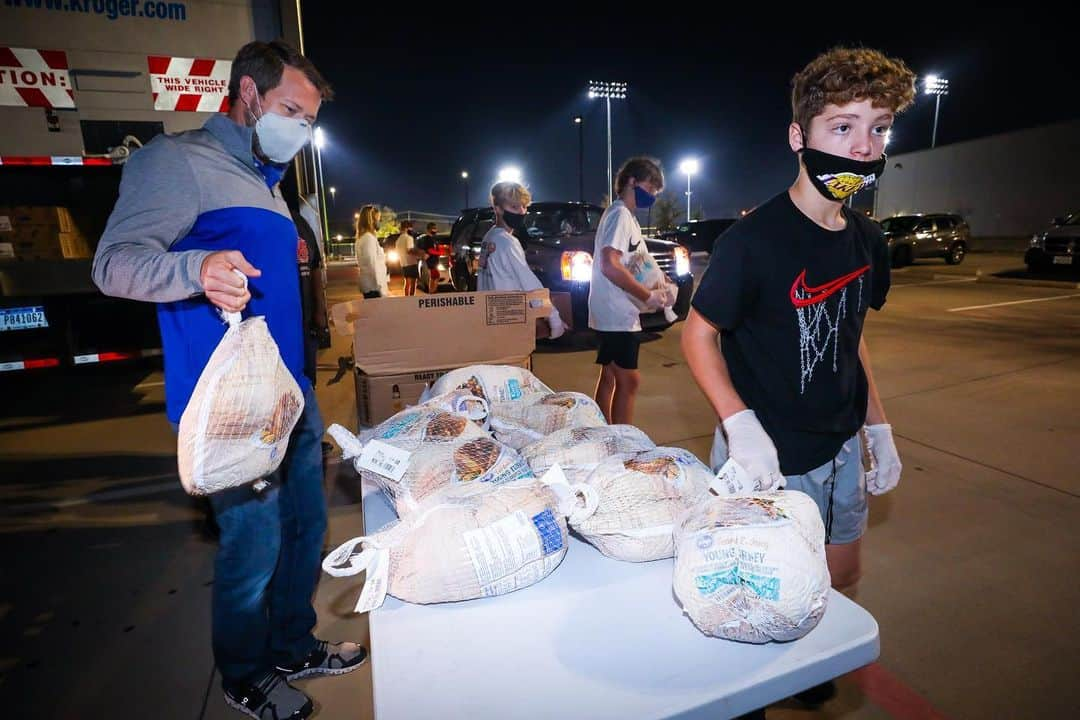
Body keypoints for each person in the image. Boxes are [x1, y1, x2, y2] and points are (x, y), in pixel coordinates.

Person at [92, 40, 366, 720]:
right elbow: (113, 264)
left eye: (310, 121)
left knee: (305, 530)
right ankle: (245, 674)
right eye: (291, 111)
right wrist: (196, 269)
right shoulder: (177, 162)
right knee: (254, 545)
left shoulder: (265, 182)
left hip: (288, 394)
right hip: (231, 407)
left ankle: (291, 644)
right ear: (247, 94)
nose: (301, 132)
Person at [681, 46, 912, 706]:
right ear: (798, 136)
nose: (864, 147)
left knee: (840, 575)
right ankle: (748, 692)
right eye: (843, 126)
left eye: (880, 127)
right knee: (754, 594)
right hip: (769, 454)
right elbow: (699, 334)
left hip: (840, 444)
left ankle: (811, 670)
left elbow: (852, 337)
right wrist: (740, 427)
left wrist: (880, 425)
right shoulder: (753, 242)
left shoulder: (867, 241)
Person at [588, 156, 669, 424]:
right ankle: (624, 443)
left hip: (610, 311)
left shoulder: (623, 216)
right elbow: (610, 264)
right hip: (617, 313)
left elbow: (633, 263)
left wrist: (659, 280)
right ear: (632, 181)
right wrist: (648, 296)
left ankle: (605, 432)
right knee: (629, 381)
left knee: (610, 376)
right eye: (650, 188)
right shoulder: (621, 214)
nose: (652, 196)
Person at [476, 181, 566, 338]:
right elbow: (530, 285)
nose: (521, 212)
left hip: (491, 319)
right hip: (510, 320)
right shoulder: (507, 242)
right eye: (514, 207)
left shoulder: (489, 237)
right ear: (497, 208)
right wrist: (554, 319)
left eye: (524, 206)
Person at [355, 204, 389, 298]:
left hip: (372, 286)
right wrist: (380, 289)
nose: (379, 221)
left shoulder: (366, 237)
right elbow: (372, 265)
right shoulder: (368, 238)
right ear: (371, 220)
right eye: (378, 218)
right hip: (373, 287)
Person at [395, 219, 421, 296]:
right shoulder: (408, 238)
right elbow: (409, 250)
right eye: (411, 228)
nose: (411, 230)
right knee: (413, 283)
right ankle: (411, 300)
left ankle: (406, 299)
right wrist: (421, 253)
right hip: (411, 263)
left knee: (407, 283)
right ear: (407, 228)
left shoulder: (398, 240)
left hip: (403, 263)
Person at [416, 221, 441, 293]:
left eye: (435, 228)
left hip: (434, 261)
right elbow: (430, 250)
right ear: (429, 229)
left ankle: (432, 291)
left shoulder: (433, 239)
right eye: (434, 228)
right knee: (436, 276)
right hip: (431, 261)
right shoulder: (428, 239)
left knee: (433, 277)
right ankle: (432, 291)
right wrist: (440, 252)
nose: (435, 230)